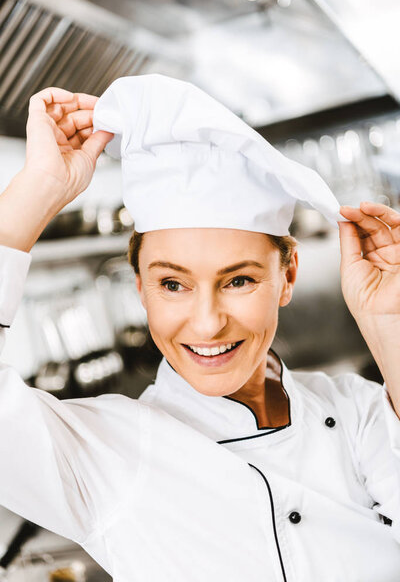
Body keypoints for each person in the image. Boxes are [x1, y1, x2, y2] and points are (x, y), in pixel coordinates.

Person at [0, 77, 399, 582]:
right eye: (172, 284)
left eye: (238, 280)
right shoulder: (106, 453)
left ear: (288, 276)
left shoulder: (358, 414)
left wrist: (390, 328)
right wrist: (37, 189)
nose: (208, 323)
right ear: (140, 289)